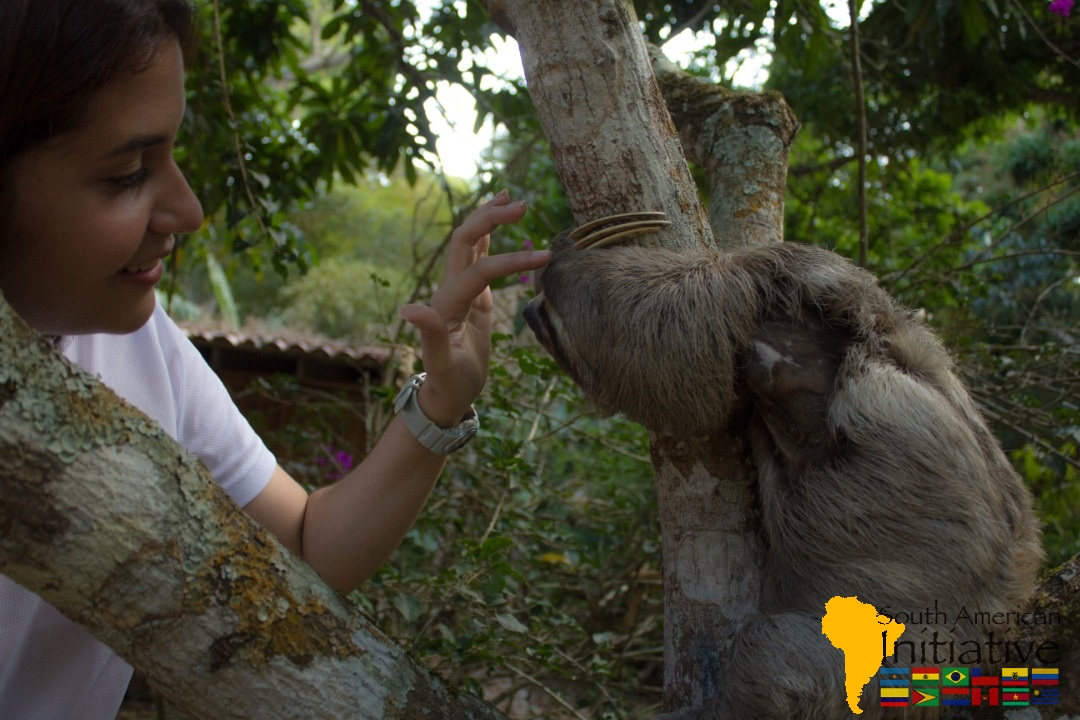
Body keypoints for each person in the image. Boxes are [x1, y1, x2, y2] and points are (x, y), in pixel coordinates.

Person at [0, 0, 550, 716]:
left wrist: (442, 402)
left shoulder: (140, 342)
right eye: (129, 172)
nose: (190, 209)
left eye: (171, 154)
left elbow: (302, 546)